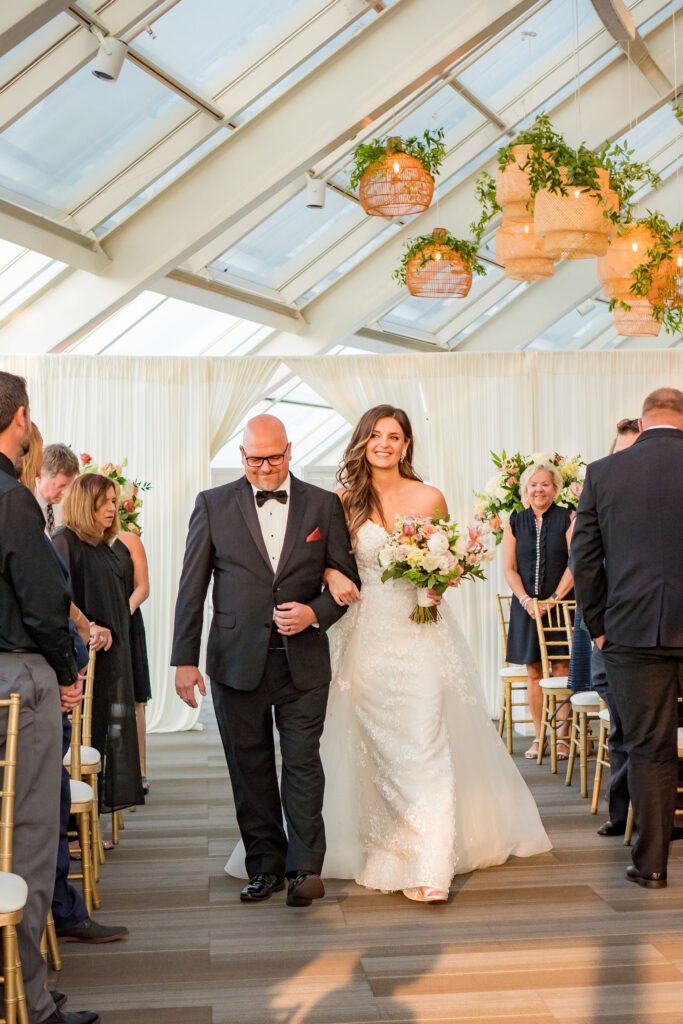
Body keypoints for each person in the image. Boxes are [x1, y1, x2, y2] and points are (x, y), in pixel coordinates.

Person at [291, 405, 551, 903]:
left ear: (406, 445)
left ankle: (432, 864)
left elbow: (447, 563)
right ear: (363, 441)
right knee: (370, 745)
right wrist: (331, 575)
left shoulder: (429, 497)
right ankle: (382, 844)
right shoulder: (340, 500)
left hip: (420, 632)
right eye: (376, 436)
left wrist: (437, 585)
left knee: (425, 741)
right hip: (364, 635)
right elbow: (319, 563)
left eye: (394, 436)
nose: (384, 444)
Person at [172, 414, 360, 907]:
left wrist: (314, 612)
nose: (266, 468)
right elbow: (191, 587)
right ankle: (265, 868)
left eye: (274, 458)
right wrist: (183, 660)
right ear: (241, 456)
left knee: (302, 764)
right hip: (235, 661)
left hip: (303, 662)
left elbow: (344, 581)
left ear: (290, 450)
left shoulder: (324, 504)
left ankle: (303, 870)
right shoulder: (212, 505)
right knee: (249, 766)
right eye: (256, 459)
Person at [0, 371, 100, 1024]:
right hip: (15, 682)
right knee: (31, 840)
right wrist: (67, 670)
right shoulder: (11, 500)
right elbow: (42, 602)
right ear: (22, 420)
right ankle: (26, 1001)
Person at [18, 424, 129, 946]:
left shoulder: (33, 517)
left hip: (40, 674)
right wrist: (68, 671)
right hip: (33, 681)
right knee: (45, 811)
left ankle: (58, 913)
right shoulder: (24, 516)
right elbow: (42, 608)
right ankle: (60, 914)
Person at [571, 387, 683, 889]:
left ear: (641, 422)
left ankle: (652, 864)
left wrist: (597, 626)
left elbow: (585, 560)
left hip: (633, 631)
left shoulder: (605, 471)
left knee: (647, 748)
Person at [52, 475, 144, 816]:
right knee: (84, 738)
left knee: (102, 735)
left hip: (106, 662)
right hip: (82, 665)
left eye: (113, 500)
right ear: (83, 503)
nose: (112, 507)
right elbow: (59, 602)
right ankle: (75, 828)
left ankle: (90, 817)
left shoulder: (99, 545)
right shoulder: (65, 541)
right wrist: (88, 627)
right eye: (103, 501)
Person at [584, 418, 640, 837]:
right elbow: (585, 563)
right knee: (621, 723)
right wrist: (598, 629)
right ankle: (622, 814)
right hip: (611, 631)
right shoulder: (600, 493)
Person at [502, 461, 575, 760]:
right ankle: (539, 736)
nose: (539, 489)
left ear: (555, 489)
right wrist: (525, 600)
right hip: (526, 608)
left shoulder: (568, 517)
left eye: (545, 484)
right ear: (525, 491)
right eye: (533, 484)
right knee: (533, 672)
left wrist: (554, 598)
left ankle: (562, 738)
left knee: (562, 669)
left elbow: (576, 562)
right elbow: (508, 568)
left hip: (561, 606)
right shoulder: (515, 520)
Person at [114, 530, 152, 793]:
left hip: (128, 622)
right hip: (95, 625)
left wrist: (123, 611)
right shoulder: (76, 539)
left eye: (114, 501)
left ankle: (139, 770)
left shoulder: (129, 540)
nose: (110, 507)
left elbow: (143, 587)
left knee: (136, 699)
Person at [35, 442, 79, 537]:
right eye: (61, 486)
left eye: (69, 485)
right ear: (39, 477)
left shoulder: (69, 505)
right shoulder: (23, 504)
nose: (65, 493)